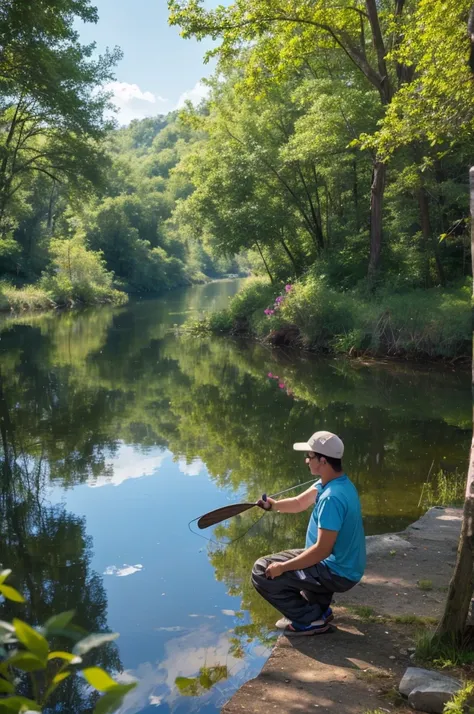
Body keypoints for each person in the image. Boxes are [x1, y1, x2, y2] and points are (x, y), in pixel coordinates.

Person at [251, 430, 366, 636]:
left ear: (322, 460)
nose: (306, 460)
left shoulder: (332, 498)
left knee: (261, 571)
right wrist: (273, 506)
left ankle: (310, 620)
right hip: (340, 566)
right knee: (296, 561)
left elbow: (322, 550)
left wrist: (283, 567)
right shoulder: (336, 484)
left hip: (336, 571)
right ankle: (319, 608)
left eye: (310, 456)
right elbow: (298, 503)